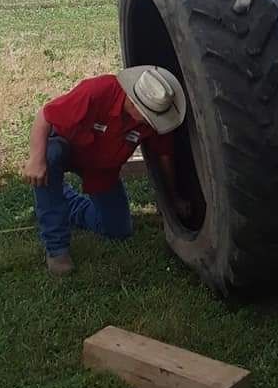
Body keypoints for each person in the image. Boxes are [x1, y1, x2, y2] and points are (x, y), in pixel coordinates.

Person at [23, 65, 187, 277]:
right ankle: (56, 249)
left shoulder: (154, 119)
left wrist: (173, 197)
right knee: (50, 155)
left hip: (101, 167)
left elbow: (164, 156)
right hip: (67, 144)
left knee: (119, 229)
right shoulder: (98, 90)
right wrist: (36, 160)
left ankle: (64, 201)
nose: (151, 122)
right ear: (134, 103)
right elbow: (45, 116)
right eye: (148, 116)